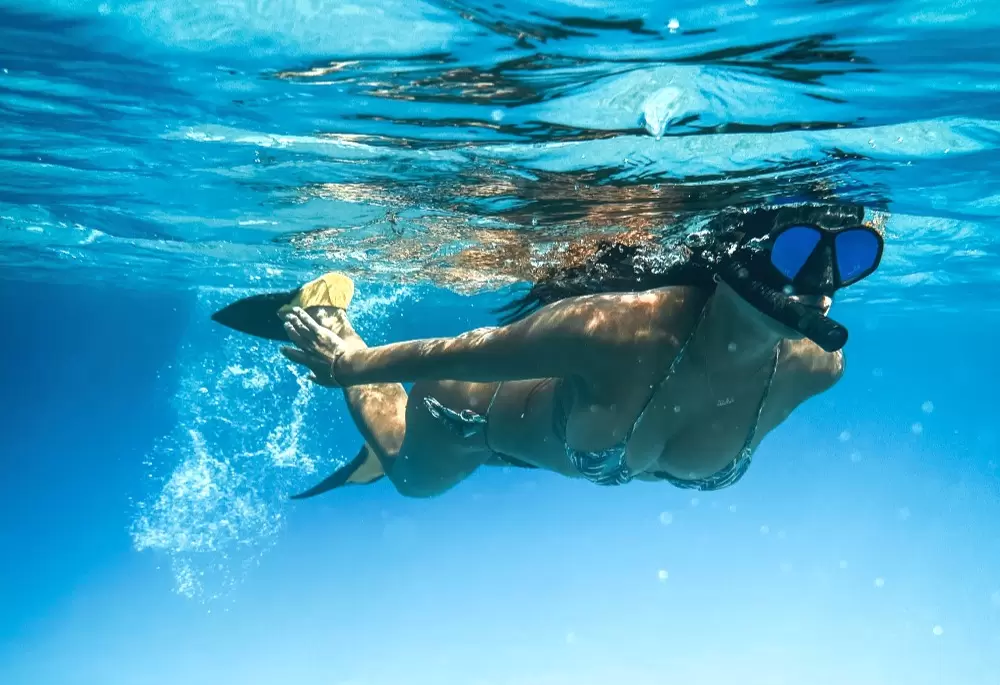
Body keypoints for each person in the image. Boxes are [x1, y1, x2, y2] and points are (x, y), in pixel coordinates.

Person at [214, 202, 884, 498]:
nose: (822, 284)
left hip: (548, 442)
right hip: (469, 414)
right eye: (798, 250)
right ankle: (327, 308)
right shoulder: (618, 331)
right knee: (413, 479)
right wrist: (349, 363)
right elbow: (460, 354)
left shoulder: (815, 367)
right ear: (738, 255)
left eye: (851, 256)